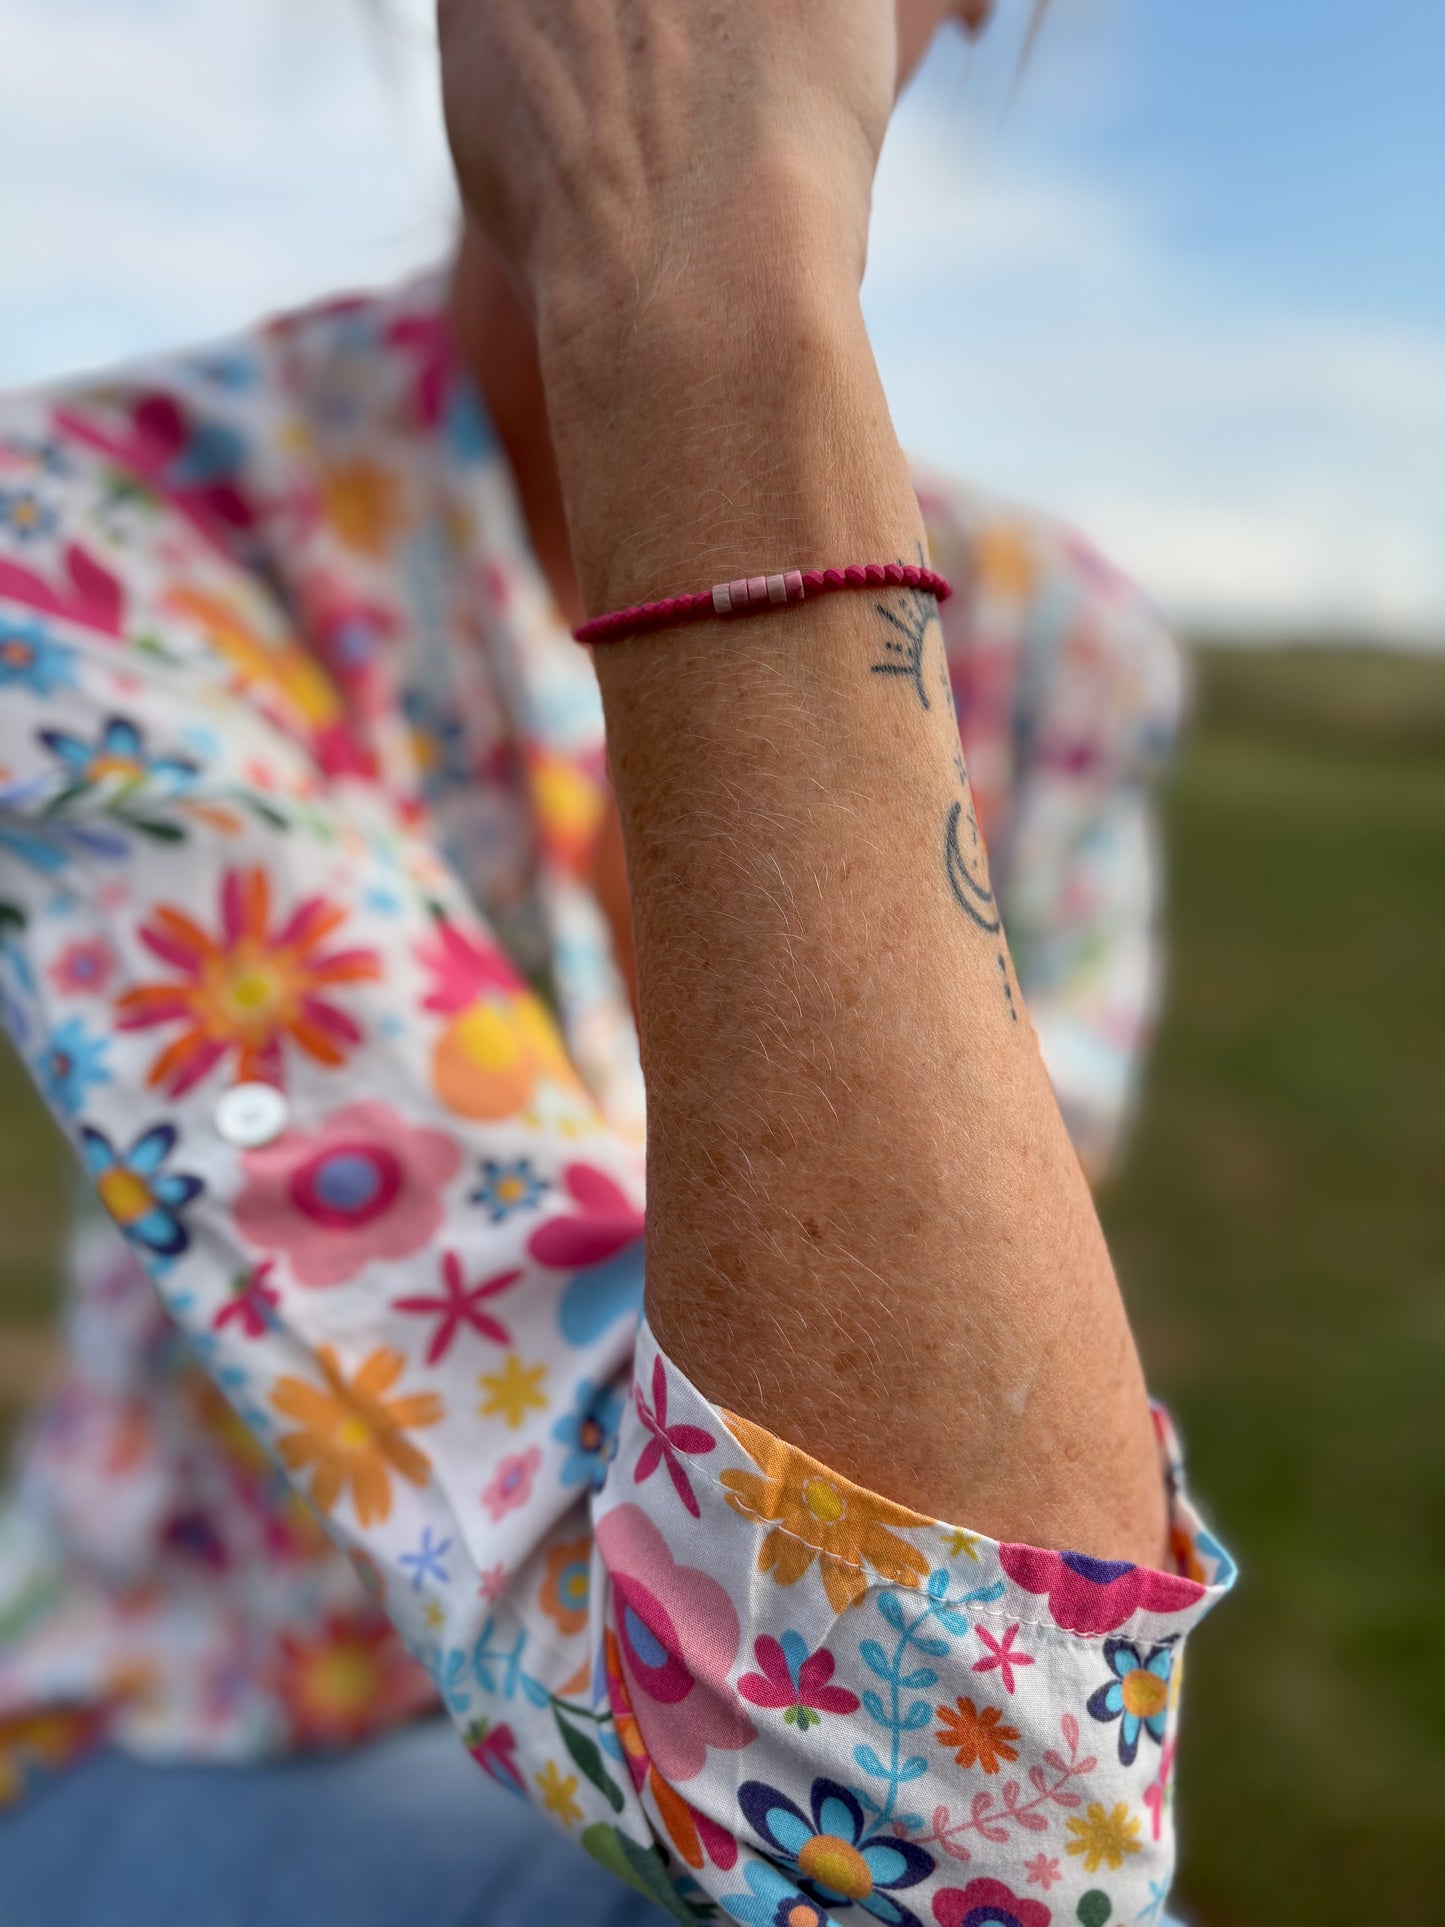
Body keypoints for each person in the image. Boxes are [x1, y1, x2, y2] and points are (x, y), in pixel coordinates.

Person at [0, 3, 1233, 1921]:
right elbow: (930, 1829)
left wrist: (724, 319)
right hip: (223, 1714)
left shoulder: (1056, 650)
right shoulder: (88, 527)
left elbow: (967, 1736)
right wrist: (677, 311)